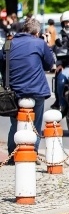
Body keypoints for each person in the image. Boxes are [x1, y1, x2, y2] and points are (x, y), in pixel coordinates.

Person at [0, 17, 55, 158]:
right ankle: (33, 153)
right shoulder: (39, 43)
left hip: (14, 92)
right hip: (36, 90)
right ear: (36, 32)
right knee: (35, 123)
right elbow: (49, 64)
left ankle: (12, 154)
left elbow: (1, 65)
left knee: (16, 121)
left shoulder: (8, 43)